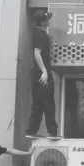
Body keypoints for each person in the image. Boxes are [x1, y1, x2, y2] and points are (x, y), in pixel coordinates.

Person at [25, 10, 59, 139]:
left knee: (38, 102)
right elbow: (37, 53)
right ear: (42, 21)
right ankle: (52, 132)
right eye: (46, 18)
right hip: (42, 73)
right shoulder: (40, 34)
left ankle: (31, 131)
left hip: (37, 73)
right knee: (48, 102)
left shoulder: (38, 33)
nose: (48, 20)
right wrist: (44, 71)